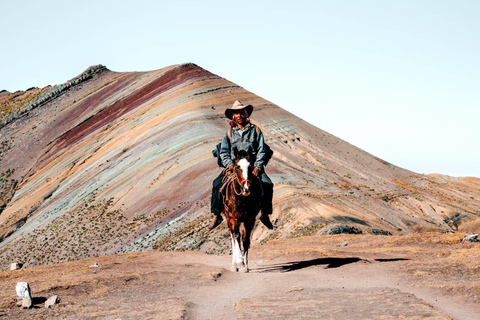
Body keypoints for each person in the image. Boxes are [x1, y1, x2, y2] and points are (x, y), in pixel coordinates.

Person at [209, 100, 274, 230]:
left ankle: (265, 214)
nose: (239, 115)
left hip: (252, 167)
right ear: (233, 116)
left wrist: (257, 167)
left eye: (241, 113)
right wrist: (229, 164)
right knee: (216, 184)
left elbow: (261, 150)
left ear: (246, 114)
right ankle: (217, 214)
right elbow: (224, 151)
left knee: (267, 184)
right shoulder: (229, 133)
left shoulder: (255, 131)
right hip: (235, 167)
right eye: (236, 113)